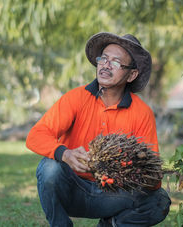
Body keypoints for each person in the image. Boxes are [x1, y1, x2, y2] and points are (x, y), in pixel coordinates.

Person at [26, 32, 171, 227]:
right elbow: (35, 136)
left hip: (113, 195)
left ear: (131, 75)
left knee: (158, 201)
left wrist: (131, 170)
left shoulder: (142, 112)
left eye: (116, 62)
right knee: (50, 168)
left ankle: (110, 224)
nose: (106, 65)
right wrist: (65, 154)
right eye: (103, 58)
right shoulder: (76, 98)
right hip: (73, 189)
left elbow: (153, 179)